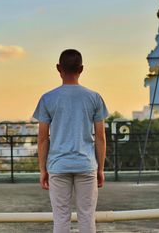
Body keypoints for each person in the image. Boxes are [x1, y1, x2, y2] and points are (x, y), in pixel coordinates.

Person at [33, 49, 108, 233]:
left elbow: (43, 139)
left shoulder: (47, 98)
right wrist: (100, 168)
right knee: (87, 217)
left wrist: (43, 169)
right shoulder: (94, 97)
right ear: (81, 69)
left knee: (60, 219)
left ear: (59, 68)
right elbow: (100, 137)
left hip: (58, 166)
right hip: (86, 164)